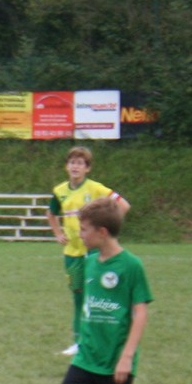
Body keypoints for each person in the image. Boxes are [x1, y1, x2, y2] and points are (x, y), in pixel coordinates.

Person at [53, 196, 152, 384]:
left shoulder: (131, 266)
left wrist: (126, 357)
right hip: (87, 354)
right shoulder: (89, 263)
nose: (79, 234)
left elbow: (140, 312)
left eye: (84, 229)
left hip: (115, 358)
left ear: (103, 232)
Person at [46, 145, 129, 356]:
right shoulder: (60, 191)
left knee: (99, 296)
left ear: (87, 168)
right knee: (78, 297)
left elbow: (123, 205)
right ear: (66, 166)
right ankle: (79, 342)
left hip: (93, 252)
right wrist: (57, 233)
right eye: (72, 162)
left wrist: (109, 232)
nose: (75, 167)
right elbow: (51, 213)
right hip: (72, 253)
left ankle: (107, 338)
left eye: (80, 163)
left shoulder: (95, 189)